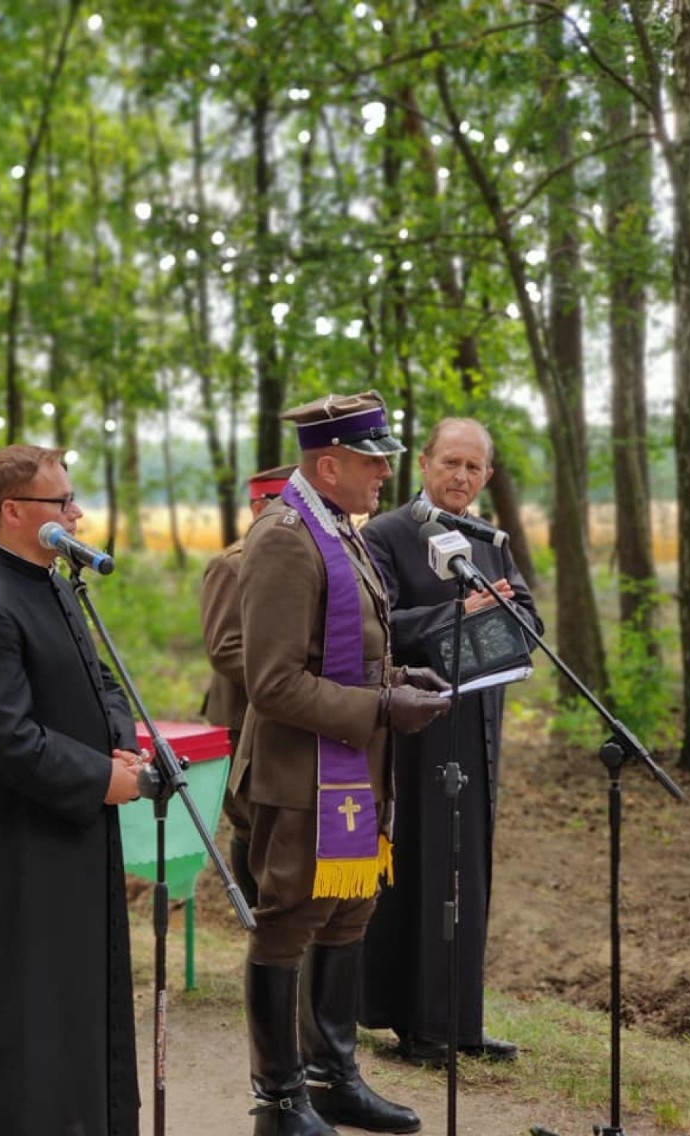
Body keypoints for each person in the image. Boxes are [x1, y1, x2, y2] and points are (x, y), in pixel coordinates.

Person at [229, 390, 450, 1136]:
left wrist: (396, 681)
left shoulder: (338, 528)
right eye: (372, 459)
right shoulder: (286, 538)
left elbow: (349, 655)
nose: (385, 472)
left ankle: (333, 1078)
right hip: (301, 777)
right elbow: (273, 682)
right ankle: (279, 1100)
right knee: (288, 921)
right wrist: (383, 709)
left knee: (348, 913)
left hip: (352, 768)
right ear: (329, 465)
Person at [0, 444, 143, 1136]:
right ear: (15, 512)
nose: (76, 513)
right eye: (62, 503)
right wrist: (98, 778)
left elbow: (102, 679)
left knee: (80, 1003)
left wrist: (123, 742)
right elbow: (7, 742)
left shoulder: (55, 584)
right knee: (35, 1018)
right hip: (23, 852)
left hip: (74, 834)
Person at [359, 417, 544, 1067]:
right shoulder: (387, 534)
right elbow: (374, 625)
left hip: (480, 729)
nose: (461, 477)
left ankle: (462, 1019)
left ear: (487, 477)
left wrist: (506, 611)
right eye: (450, 464)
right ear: (426, 465)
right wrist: (457, 613)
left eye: (474, 468)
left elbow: (527, 614)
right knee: (421, 873)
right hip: (416, 733)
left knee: (468, 877)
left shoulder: (489, 539)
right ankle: (414, 1023)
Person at [200, 463, 295, 907]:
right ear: (256, 507)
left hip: (288, 714)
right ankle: (256, 915)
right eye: (277, 505)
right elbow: (224, 647)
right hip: (243, 721)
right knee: (251, 823)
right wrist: (290, 676)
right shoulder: (231, 565)